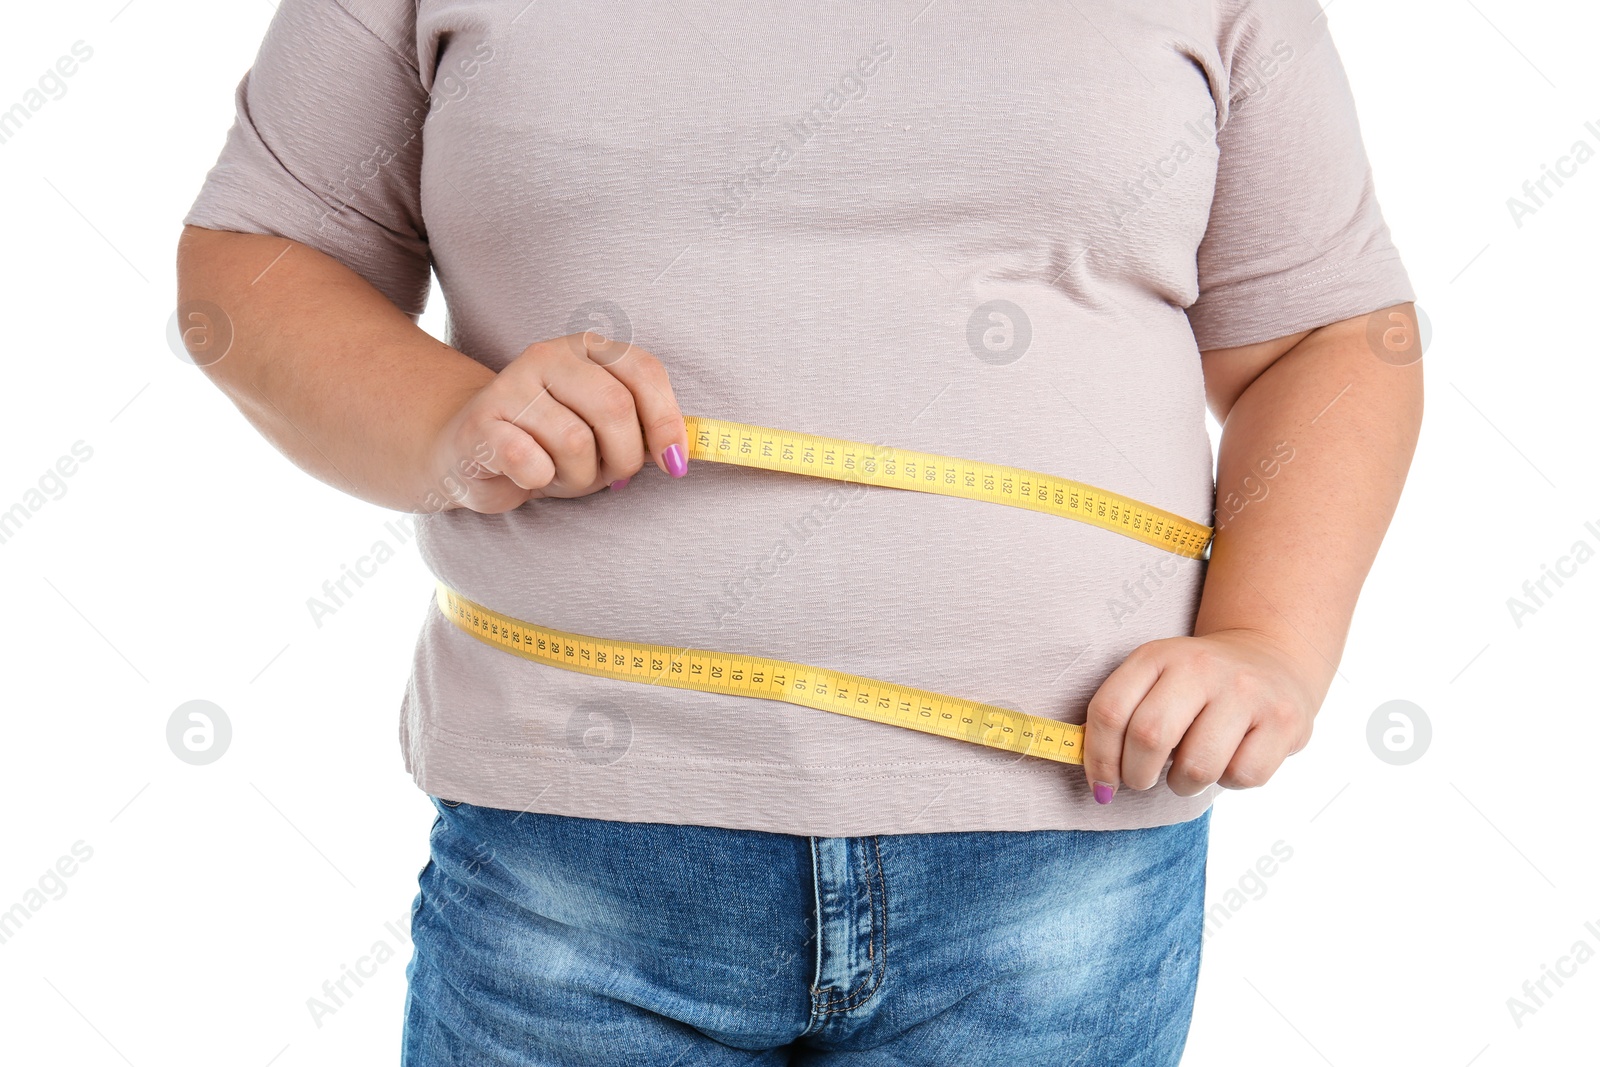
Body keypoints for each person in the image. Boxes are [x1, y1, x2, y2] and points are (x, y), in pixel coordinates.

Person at [175, 1, 1422, 1062]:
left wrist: (1268, 639)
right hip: (575, 846)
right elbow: (252, 264)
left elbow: (1328, 338)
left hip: (1067, 855)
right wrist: (452, 423)